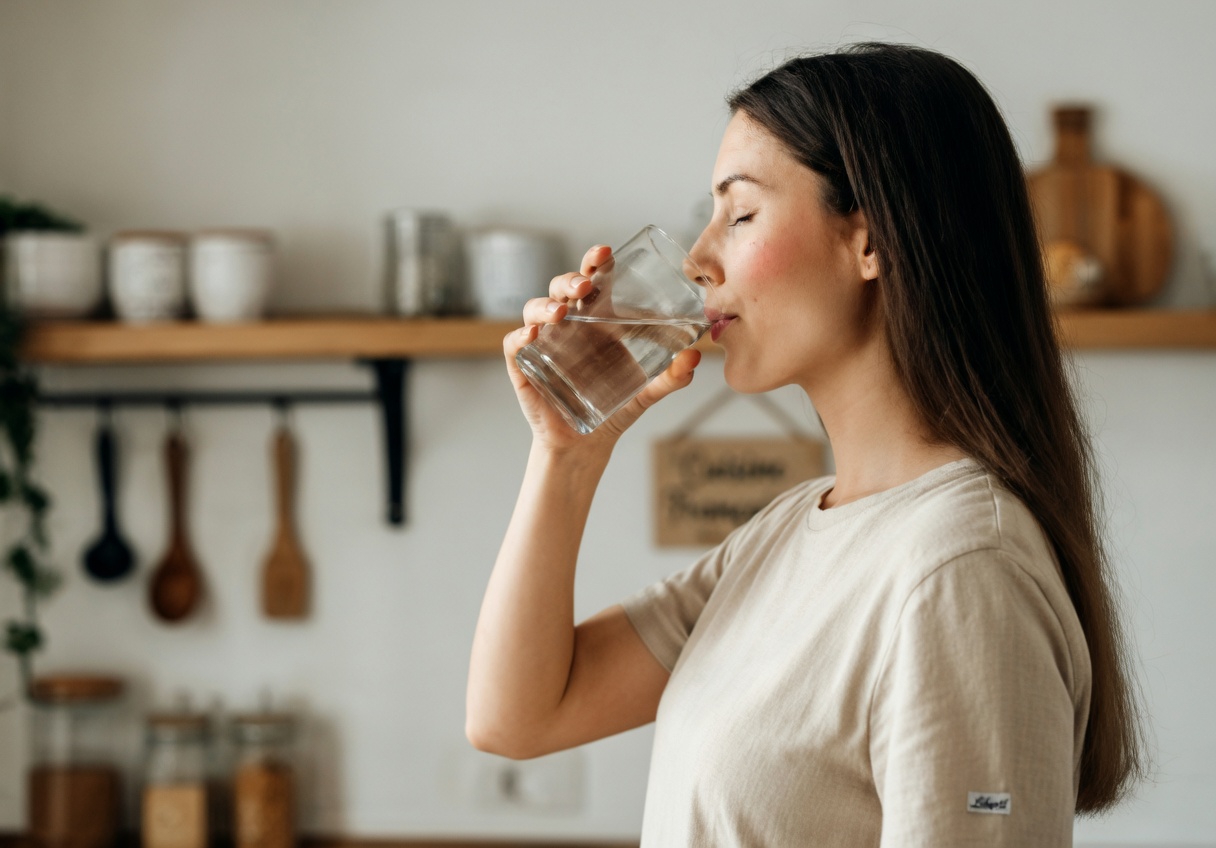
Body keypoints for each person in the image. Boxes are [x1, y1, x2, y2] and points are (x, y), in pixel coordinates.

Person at [466, 41, 1146, 846]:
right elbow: (518, 718)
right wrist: (566, 455)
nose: (697, 260)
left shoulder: (961, 572)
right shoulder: (792, 532)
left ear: (872, 241)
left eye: (740, 212)